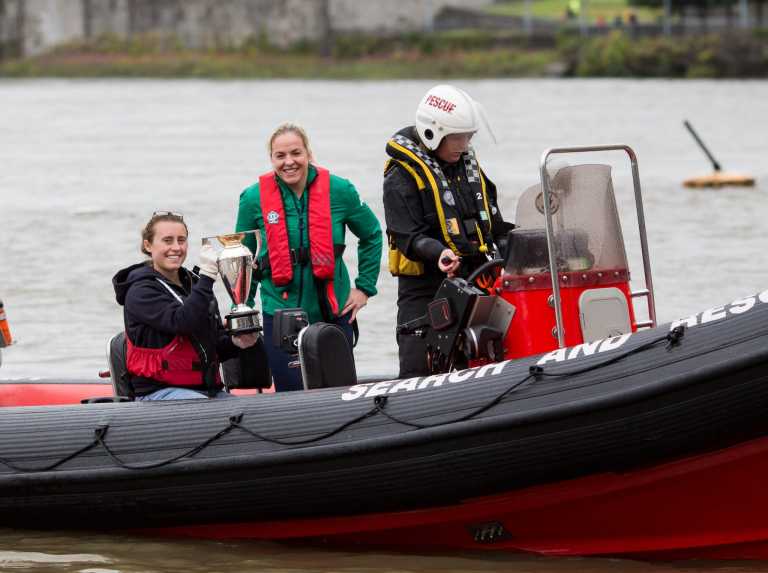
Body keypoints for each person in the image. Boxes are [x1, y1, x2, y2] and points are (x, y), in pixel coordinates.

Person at [236, 123, 382, 392]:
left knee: (339, 394)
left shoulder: (340, 190)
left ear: (308, 154)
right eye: (280, 156)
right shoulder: (252, 199)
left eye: (296, 153)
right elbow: (243, 258)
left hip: (333, 313)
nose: (289, 162)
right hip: (279, 314)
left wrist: (364, 288)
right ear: (271, 159)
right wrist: (244, 311)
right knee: (291, 396)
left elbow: (372, 234)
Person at [383, 84, 514, 378]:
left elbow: (494, 225)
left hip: (477, 280)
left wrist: (522, 246)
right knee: (419, 369)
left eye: (468, 137)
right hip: (427, 289)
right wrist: (439, 252)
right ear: (432, 132)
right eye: (457, 138)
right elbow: (408, 236)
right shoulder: (401, 176)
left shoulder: (468, 167)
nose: (464, 145)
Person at [113, 211, 261, 400]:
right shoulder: (140, 291)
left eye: (181, 240)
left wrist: (236, 342)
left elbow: (212, 346)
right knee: (206, 409)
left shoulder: (195, 284)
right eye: (167, 241)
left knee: (246, 411)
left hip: (208, 390)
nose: (176, 247)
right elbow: (182, 322)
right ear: (148, 245)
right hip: (159, 392)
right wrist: (208, 277)